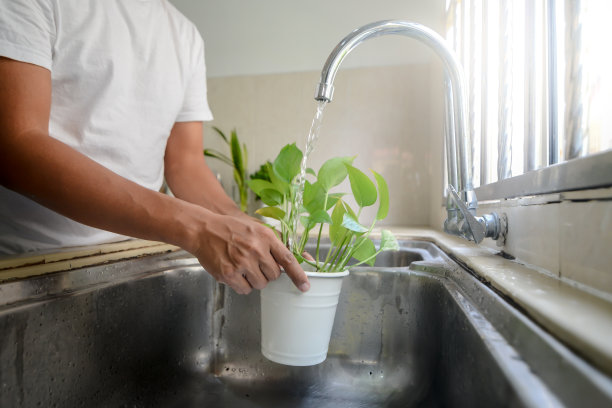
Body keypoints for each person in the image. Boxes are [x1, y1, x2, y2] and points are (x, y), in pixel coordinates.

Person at [0, 0, 310, 295]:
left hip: (136, 259)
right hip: (30, 267)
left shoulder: (184, 34)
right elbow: (15, 145)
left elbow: (185, 165)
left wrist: (239, 223)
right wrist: (197, 228)